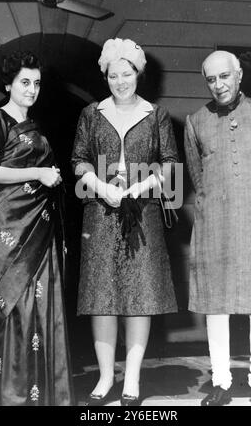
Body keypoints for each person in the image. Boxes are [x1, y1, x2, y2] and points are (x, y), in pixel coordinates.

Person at [72, 38, 178, 406]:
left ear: (138, 73)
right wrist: (100, 186)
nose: (120, 81)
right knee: (101, 296)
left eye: (127, 73)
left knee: (139, 296)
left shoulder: (156, 115)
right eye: (113, 75)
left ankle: (131, 377)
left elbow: (169, 164)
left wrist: (142, 186)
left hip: (143, 212)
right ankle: (105, 378)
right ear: (106, 76)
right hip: (99, 212)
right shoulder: (91, 114)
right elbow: (78, 161)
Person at [184, 50, 251, 406]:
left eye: (225, 76)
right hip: (216, 222)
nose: (218, 85)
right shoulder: (195, 122)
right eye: (211, 79)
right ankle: (221, 381)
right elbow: (196, 176)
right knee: (216, 304)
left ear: (239, 74)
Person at [0, 51, 73, 406]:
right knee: (15, 308)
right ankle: (14, 396)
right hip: (8, 227)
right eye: (24, 82)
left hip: (38, 226)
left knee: (41, 307)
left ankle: (44, 395)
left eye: (36, 83)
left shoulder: (35, 126)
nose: (32, 90)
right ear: (8, 84)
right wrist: (37, 173)